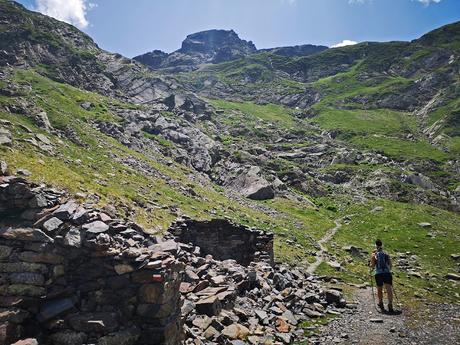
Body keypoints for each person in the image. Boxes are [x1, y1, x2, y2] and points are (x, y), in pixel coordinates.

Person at [369, 239, 394, 313]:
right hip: (387, 273)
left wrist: (370, 265)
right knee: (389, 289)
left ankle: (381, 302)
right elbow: (390, 265)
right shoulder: (386, 253)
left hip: (378, 273)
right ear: (382, 245)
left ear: (375, 245)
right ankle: (390, 304)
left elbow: (373, 265)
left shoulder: (374, 254)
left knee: (379, 289)